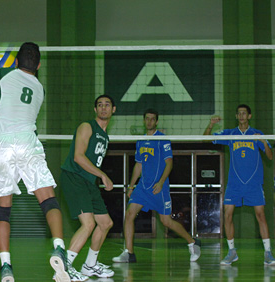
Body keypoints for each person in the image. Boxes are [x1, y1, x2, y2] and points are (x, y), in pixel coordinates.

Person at [0, 42, 70, 282]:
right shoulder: (40, 89)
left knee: (2, 209)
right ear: (39, 65)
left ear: (16, 62)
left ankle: (6, 267)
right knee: (49, 199)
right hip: (27, 141)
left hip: (2, 144)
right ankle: (60, 248)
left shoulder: (4, 73)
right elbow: (3, 100)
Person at [113, 108, 201, 263]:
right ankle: (129, 253)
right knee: (129, 215)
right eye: (147, 118)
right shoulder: (140, 140)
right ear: (144, 120)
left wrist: (161, 182)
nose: (149, 121)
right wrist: (131, 186)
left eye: (152, 119)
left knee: (166, 221)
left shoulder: (162, 139)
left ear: (157, 121)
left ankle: (192, 242)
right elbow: (138, 165)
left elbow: (169, 163)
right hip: (142, 187)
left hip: (158, 188)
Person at [204, 104, 275, 265]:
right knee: (227, 214)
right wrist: (211, 125)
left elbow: (270, 157)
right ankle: (231, 252)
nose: (242, 116)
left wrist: (262, 141)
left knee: (261, 215)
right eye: (239, 113)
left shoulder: (256, 134)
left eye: (244, 113)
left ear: (249, 116)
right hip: (234, 184)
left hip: (254, 184)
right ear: (236, 116)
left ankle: (268, 253)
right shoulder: (230, 134)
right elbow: (206, 138)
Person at [60, 94, 116, 280]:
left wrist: (97, 177)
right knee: (88, 224)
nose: (103, 108)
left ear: (113, 110)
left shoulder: (105, 136)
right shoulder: (87, 126)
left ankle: (90, 265)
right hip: (74, 177)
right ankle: (64, 268)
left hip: (89, 182)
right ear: (95, 109)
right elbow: (78, 156)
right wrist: (102, 175)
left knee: (105, 223)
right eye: (99, 105)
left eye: (107, 105)